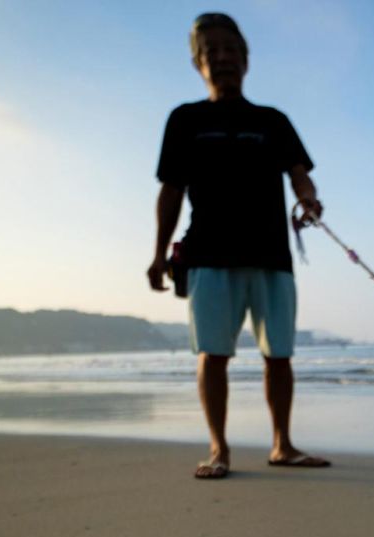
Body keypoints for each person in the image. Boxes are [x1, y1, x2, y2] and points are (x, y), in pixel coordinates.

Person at [147, 11, 329, 479]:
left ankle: (282, 445)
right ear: (198, 63)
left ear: (246, 59)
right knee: (213, 354)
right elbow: (171, 190)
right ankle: (218, 449)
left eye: (231, 49)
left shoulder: (273, 121)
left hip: (272, 256)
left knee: (279, 354)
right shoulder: (185, 120)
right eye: (212, 51)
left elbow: (299, 174)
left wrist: (308, 200)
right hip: (208, 256)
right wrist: (158, 254)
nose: (223, 58)